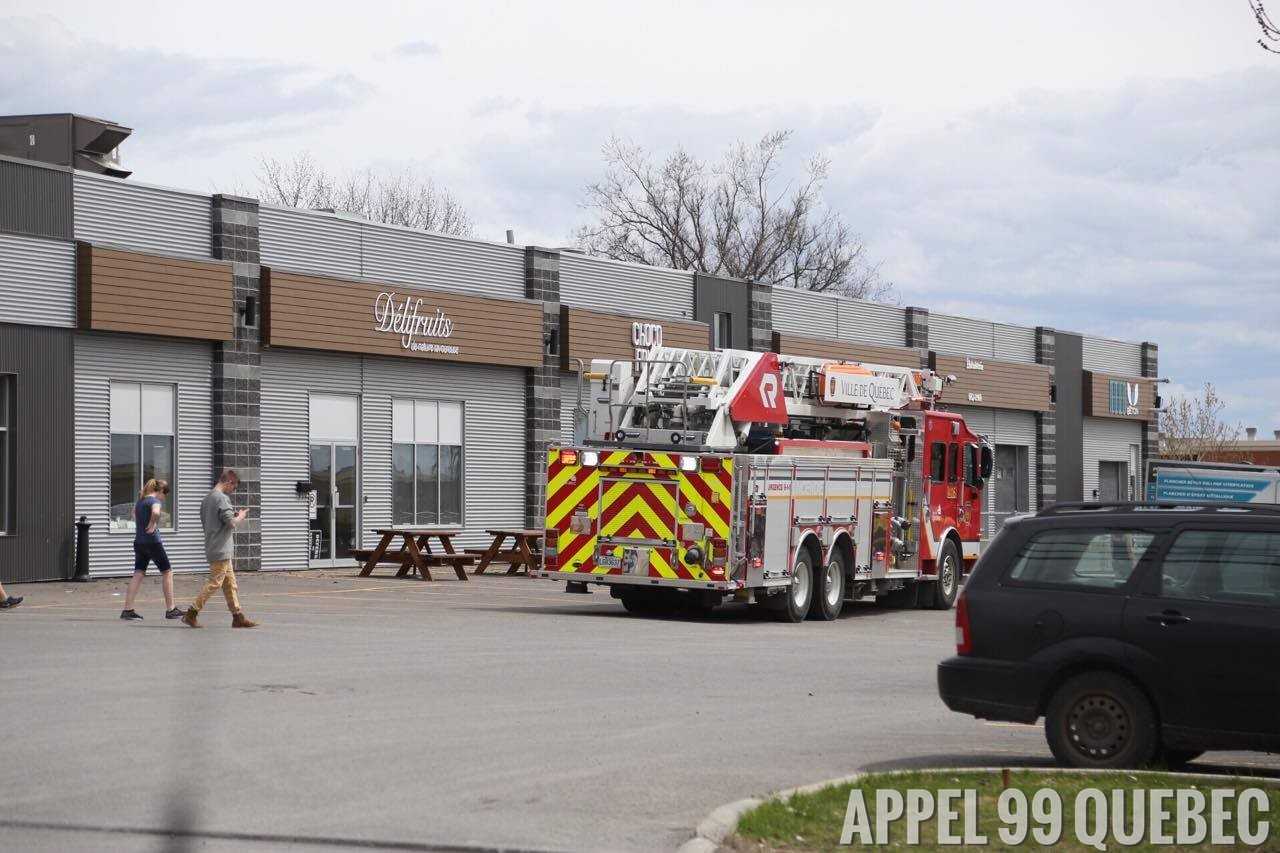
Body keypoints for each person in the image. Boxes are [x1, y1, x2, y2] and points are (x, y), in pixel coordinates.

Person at [183, 468, 257, 628]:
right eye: (234, 487)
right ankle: (192, 612)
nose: (233, 490)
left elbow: (211, 521)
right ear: (229, 482)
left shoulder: (207, 499)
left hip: (213, 545)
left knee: (230, 583)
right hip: (221, 548)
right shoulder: (222, 499)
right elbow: (231, 523)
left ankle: (237, 616)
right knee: (215, 582)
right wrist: (240, 516)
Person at [121, 479, 183, 621]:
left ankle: (127, 610)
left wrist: (145, 522)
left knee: (138, 573)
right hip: (153, 542)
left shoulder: (140, 502)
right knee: (167, 572)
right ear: (160, 491)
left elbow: (133, 515)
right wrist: (152, 522)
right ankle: (171, 609)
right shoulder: (154, 501)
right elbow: (156, 512)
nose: (164, 498)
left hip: (139, 542)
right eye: (165, 494)